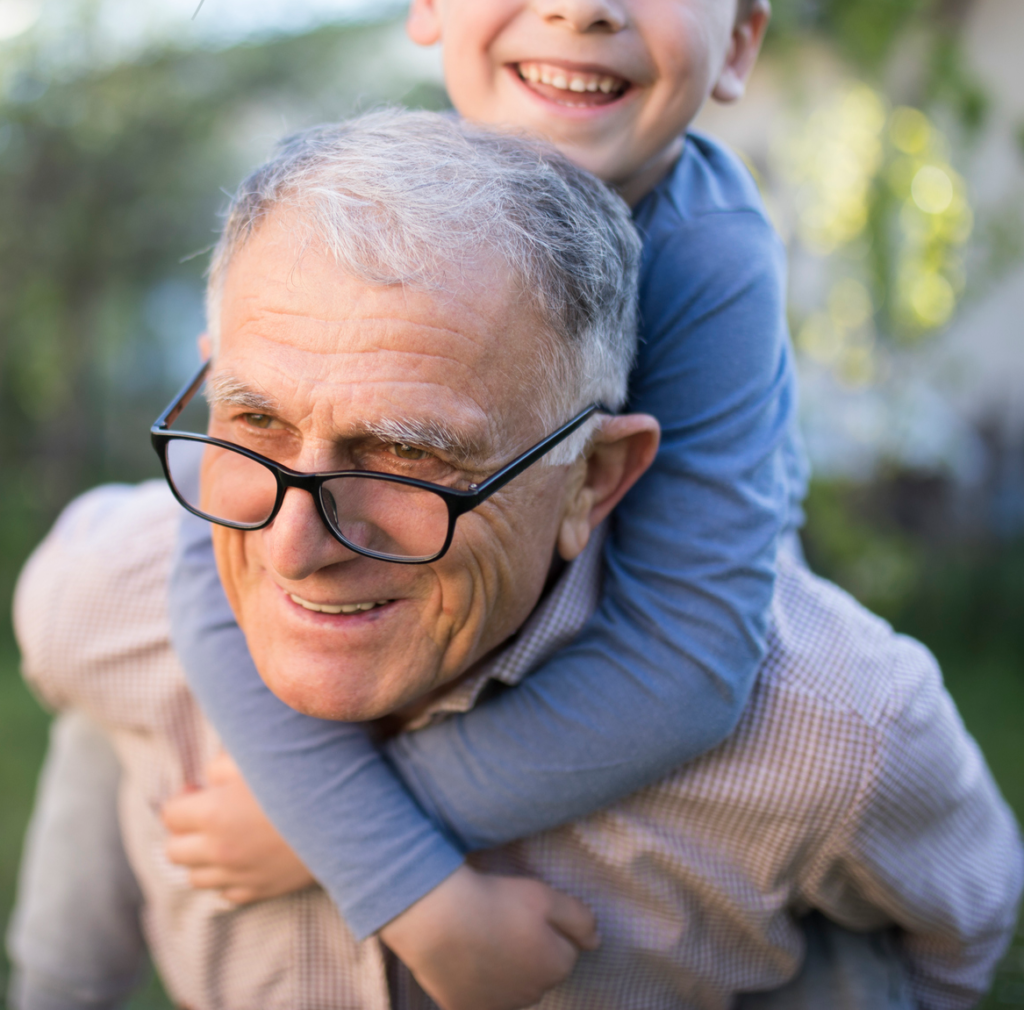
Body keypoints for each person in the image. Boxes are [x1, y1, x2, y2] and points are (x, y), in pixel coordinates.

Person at [14, 112, 1022, 1010]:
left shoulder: (833, 737)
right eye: (255, 418)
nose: (294, 549)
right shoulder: (105, 596)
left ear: (592, 480)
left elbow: (958, 931)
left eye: (408, 454)